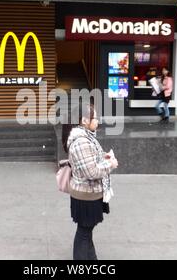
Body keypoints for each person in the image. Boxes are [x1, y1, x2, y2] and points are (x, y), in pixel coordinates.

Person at [62, 104, 118, 260]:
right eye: (95, 118)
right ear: (84, 121)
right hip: (86, 196)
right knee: (84, 233)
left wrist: (103, 157)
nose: (98, 121)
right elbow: (91, 172)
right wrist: (110, 164)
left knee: (86, 232)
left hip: (88, 194)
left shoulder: (86, 137)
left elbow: (91, 160)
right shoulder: (81, 141)